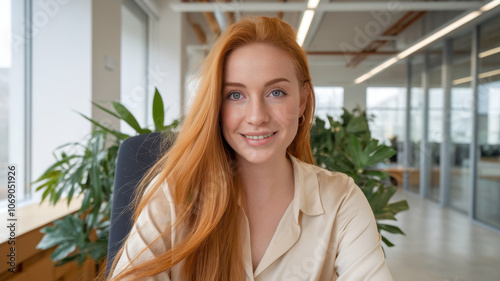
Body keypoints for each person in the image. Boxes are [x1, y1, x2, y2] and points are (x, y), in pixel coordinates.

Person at [108, 16, 393, 281]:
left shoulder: (341, 200)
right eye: (235, 95)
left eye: (276, 92)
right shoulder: (175, 193)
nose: (257, 116)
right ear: (216, 107)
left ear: (302, 101)